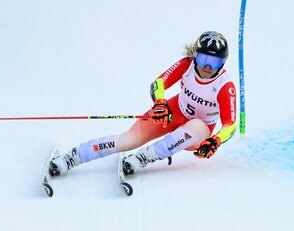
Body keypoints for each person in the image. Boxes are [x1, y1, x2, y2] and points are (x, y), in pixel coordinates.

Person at [48, 31, 237, 178]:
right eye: (204, 59)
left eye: (215, 62)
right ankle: (75, 156)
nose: (207, 67)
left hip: (198, 134)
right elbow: (158, 83)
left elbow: (230, 125)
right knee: (129, 139)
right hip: (173, 112)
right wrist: (160, 104)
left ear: (223, 62)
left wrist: (216, 140)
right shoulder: (186, 65)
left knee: (196, 126)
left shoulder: (224, 86)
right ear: (195, 55)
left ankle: (144, 157)